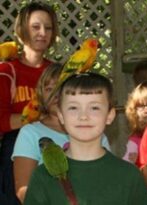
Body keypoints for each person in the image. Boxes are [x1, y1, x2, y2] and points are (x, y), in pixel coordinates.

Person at [24, 73, 147, 205]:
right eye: (73, 108)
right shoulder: (43, 176)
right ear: (61, 116)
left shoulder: (129, 176)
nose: (83, 116)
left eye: (94, 108)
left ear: (110, 115)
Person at [12, 63, 111, 203]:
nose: (55, 94)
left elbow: (107, 181)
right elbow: (24, 190)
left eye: (62, 88)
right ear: (40, 93)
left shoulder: (94, 133)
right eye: (49, 89)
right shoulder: (30, 133)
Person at [0, 2, 59, 204]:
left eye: (48, 27)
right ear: (22, 30)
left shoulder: (56, 72)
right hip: (15, 147)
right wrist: (42, 116)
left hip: (56, 142)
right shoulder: (7, 71)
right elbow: (2, 121)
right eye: (35, 26)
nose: (42, 32)